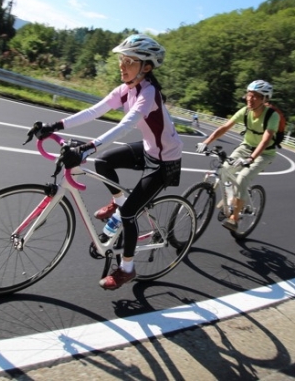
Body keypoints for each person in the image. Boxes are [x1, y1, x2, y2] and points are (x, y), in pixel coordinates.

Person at [33, 34, 183, 290]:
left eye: (129, 61)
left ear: (146, 67)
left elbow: (125, 126)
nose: (121, 66)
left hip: (165, 160)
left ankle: (127, 268)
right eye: (121, 60)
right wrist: (54, 125)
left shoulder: (149, 94)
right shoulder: (127, 89)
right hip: (148, 149)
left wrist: (86, 147)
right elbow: (95, 110)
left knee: (129, 214)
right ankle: (119, 200)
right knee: (103, 162)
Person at [195, 80, 279, 232]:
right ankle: (230, 199)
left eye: (256, 96)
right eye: (249, 94)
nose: (250, 99)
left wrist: (251, 159)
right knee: (223, 170)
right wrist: (205, 142)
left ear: (265, 99)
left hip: (264, 153)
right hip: (245, 148)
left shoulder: (272, 116)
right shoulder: (245, 111)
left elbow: (266, 140)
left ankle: (234, 217)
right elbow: (224, 127)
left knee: (242, 178)